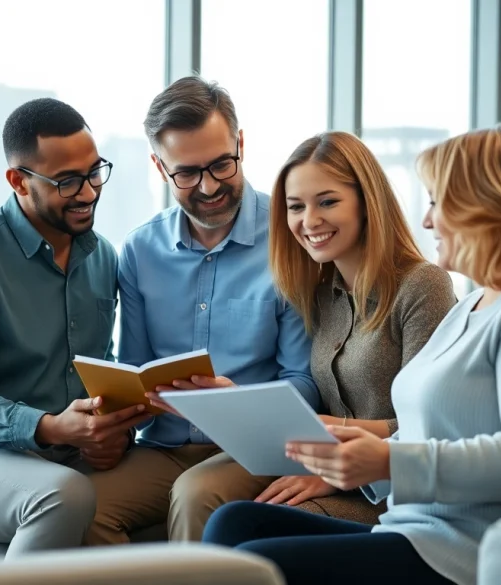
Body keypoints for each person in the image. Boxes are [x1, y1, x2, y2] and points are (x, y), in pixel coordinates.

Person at [202, 126, 501, 585]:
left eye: (437, 203)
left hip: (466, 551)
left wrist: (386, 461)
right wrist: (355, 454)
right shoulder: (477, 304)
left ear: (490, 207)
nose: (427, 221)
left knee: (253, 562)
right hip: (415, 529)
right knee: (235, 523)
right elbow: (429, 431)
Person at [0, 98, 150, 558]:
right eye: (68, 181)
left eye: (95, 172)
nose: (90, 192)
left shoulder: (103, 257)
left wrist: (113, 432)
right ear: (18, 181)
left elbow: (100, 368)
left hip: (57, 454)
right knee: (65, 495)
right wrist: (53, 428)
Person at [84, 76, 318, 545]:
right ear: (159, 166)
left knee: (196, 494)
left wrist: (239, 404)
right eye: (187, 173)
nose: (209, 187)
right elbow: (135, 369)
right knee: (80, 504)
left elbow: (307, 385)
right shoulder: (140, 250)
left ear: (241, 144)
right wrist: (120, 409)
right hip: (164, 447)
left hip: (253, 449)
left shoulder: (291, 238)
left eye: (221, 165)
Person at [253, 131, 456, 523]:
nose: (309, 221)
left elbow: (434, 423)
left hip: (395, 491)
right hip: (336, 475)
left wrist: (340, 440)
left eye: (327, 202)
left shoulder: (422, 286)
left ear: (367, 203)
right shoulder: (320, 293)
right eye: (296, 207)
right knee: (233, 513)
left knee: (247, 524)